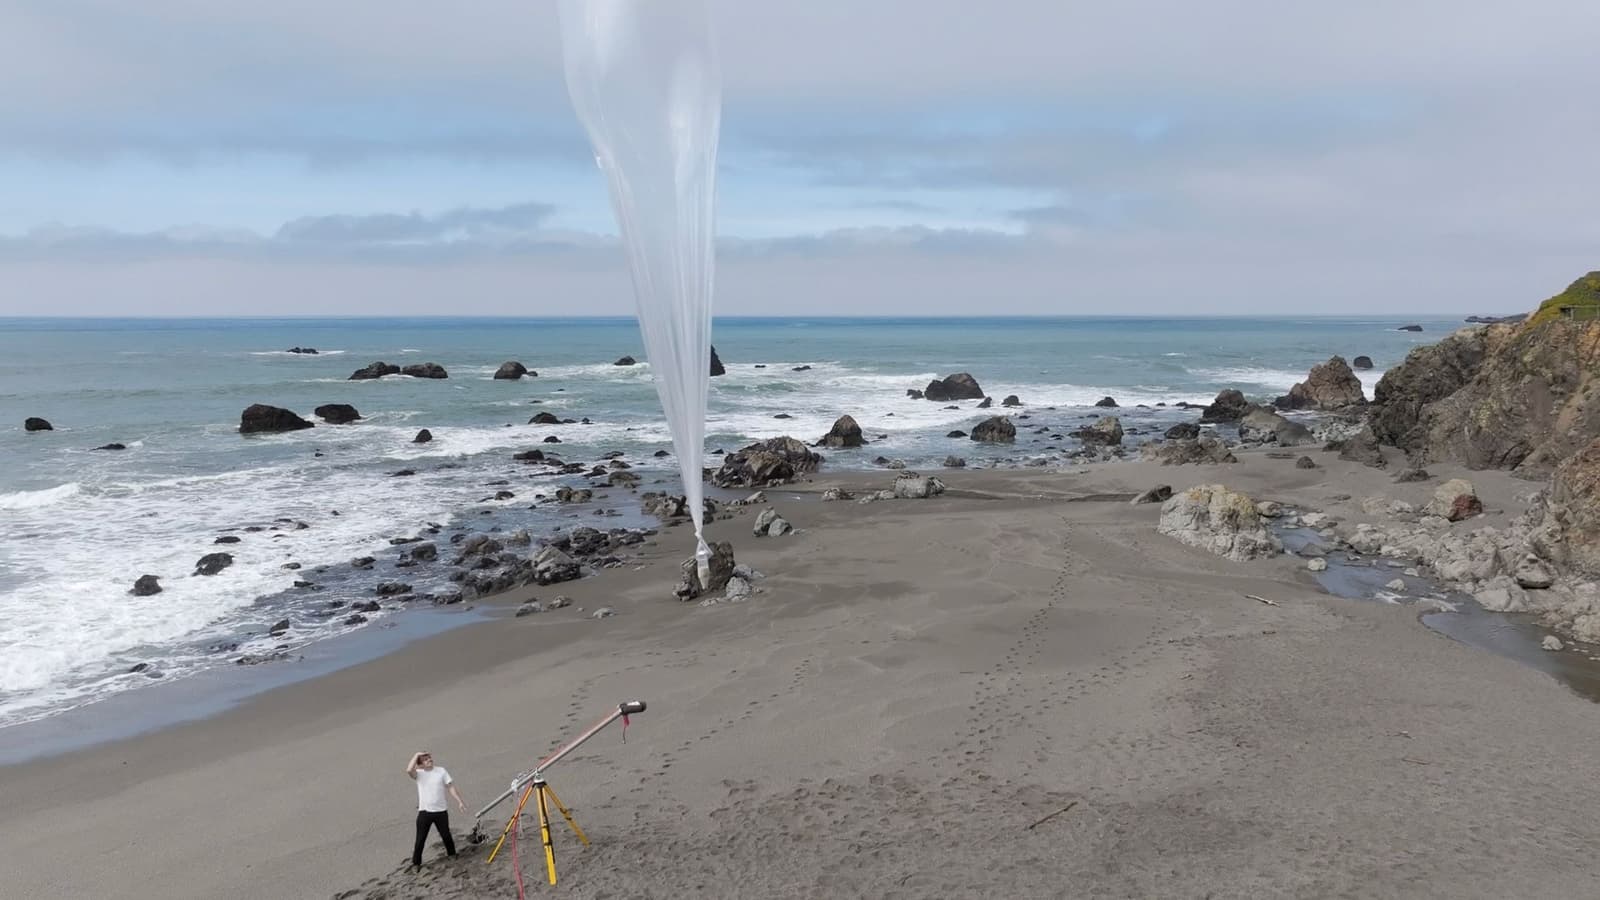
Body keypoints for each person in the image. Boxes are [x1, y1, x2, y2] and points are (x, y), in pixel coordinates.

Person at [405, 750, 467, 868]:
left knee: (446, 835)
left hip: (441, 811)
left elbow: (450, 787)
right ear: (420, 764)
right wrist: (416, 755)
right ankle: (416, 863)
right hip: (425, 812)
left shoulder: (441, 771)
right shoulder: (418, 774)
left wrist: (459, 801)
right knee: (420, 840)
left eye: (429, 758)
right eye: (425, 759)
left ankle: (452, 855)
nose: (429, 760)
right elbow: (408, 770)